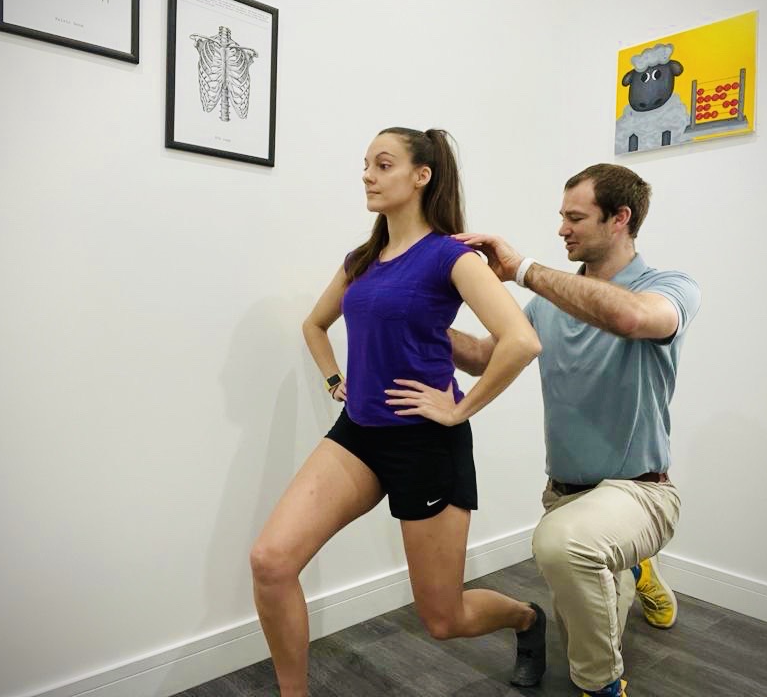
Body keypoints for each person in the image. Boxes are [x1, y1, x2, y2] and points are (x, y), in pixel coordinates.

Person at [249, 127, 547, 697]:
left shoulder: (450, 256)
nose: (367, 175)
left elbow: (520, 341)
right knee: (271, 560)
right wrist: (335, 380)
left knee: (443, 619)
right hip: (358, 434)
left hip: (425, 443)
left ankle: (527, 619)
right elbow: (314, 324)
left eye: (383, 164)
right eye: (365, 164)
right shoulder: (361, 260)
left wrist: (459, 411)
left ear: (421, 176)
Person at [450, 163, 700, 697]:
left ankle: (600, 686)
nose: (562, 229)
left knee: (562, 547)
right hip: (564, 496)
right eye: (562, 216)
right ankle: (634, 568)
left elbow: (632, 318)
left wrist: (523, 270)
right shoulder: (547, 304)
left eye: (576, 218)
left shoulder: (670, 287)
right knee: (573, 558)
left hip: (641, 492)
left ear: (620, 219)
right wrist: (413, 320)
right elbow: (480, 358)